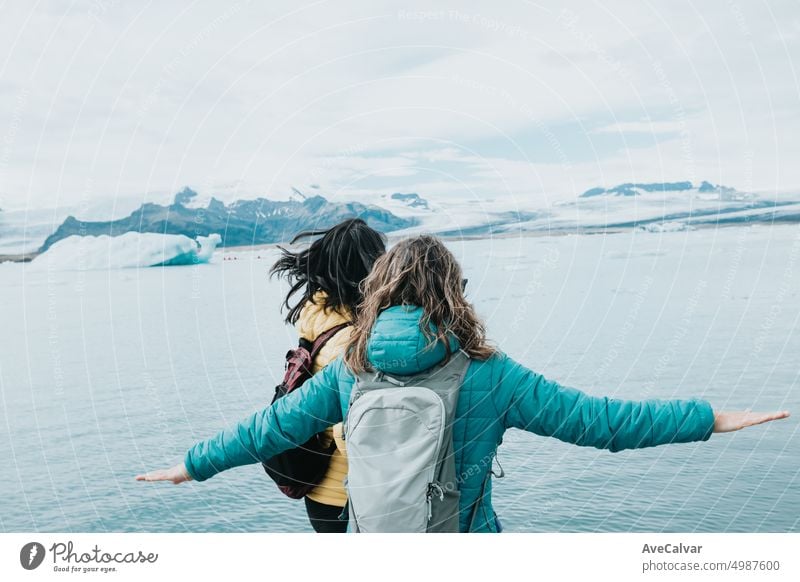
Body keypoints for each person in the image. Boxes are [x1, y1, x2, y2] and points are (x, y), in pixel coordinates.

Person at [137, 235, 790, 532]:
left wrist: (191, 466)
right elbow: (605, 424)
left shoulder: (349, 370)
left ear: (380, 292)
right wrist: (710, 418)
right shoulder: (491, 374)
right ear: (453, 293)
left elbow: (267, 430)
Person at [264, 218, 385, 532]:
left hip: (321, 493)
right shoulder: (351, 341)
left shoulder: (317, 318)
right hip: (347, 495)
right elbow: (353, 432)